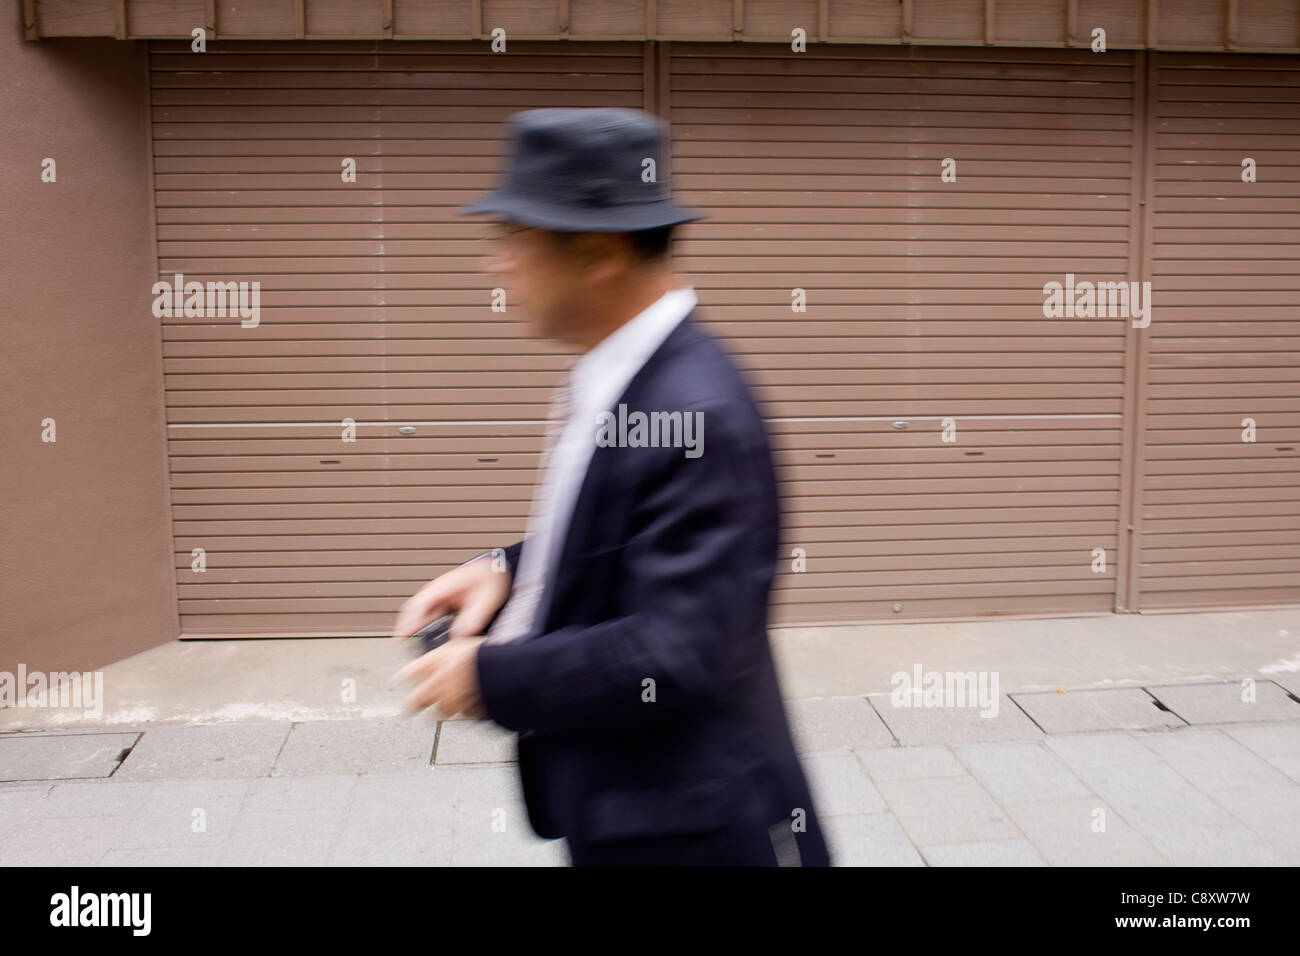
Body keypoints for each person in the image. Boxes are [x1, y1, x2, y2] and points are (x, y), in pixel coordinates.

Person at [392, 107, 830, 866]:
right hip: (638, 813)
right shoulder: (624, 375)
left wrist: (487, 677)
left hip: (704, 836)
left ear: (596, 253)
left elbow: (675, 650)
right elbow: (622, 534)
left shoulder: (699, 410)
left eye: (515, 240)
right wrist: (503, 570)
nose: (495, 265)